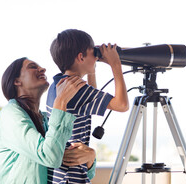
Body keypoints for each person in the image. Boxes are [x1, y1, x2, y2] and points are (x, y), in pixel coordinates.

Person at [0, 57, 96, 184]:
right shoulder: (10, 115)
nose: (43, 69)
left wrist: (90, 157)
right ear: (16, 81)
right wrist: (61, 101)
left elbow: (76, 170)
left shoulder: (45, 120)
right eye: (32, 66)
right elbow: (50, 157)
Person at [46, 29, 129, 183]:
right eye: (93, 53)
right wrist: (115, 64)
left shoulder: (59, 84)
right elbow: (122, 105)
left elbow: (91, 98)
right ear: (80, 57)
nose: (96, 57)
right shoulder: (78, 90)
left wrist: (92, 69)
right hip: (72, 176)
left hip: (60, 174)